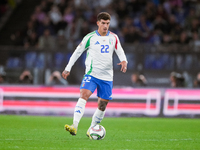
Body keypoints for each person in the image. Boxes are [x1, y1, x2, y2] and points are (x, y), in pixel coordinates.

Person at [61, 12, 128, 137]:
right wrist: (67, 68)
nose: (105, 26)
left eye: (107, 23)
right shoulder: (90, 37)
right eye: (103, 23)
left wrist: (124, 61)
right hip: (91, 74)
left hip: (107, 77)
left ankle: (91, 129)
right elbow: (77, 52)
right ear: (98, 23)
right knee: (84, 95)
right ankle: (74, 125)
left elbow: (120, 51)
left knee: (102, 105)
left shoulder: (113, 37)